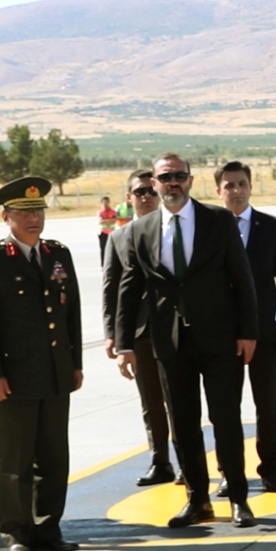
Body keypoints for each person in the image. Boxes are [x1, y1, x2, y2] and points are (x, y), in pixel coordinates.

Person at [117, 154, 260, 529]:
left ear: (191, 180)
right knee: (183, 424)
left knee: (226, 420)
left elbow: (241, 278)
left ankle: (239, 498)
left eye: (179, 176)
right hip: (169, 343)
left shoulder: (218, 220)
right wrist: (124, 344)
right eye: (166, 177)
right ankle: (197, 500)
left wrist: (248, 332)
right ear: (155, 184)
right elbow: (129, 289)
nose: (173, 183)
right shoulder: (140, 230)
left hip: (220, 340)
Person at [0, 178, 81, 551]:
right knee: (13, 460)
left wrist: (74, 364)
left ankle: (48, 527)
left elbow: (71, 315)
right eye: (24, 213)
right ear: (6, 217)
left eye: (38, 211)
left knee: (53, 458)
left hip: (55, 373)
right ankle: (16, 531)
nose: (34, 219)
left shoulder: (57, 254)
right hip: (12, 378)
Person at [216, 161, 276, 494]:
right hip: (223, 334)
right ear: (219, 191)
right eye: (229, 185)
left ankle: (271, 469)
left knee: (268, 403)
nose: (236, 191)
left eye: (242, 184)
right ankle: (229, 470)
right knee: (225, 406)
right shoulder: (211, 228)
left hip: (265, 331)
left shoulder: (271, 227)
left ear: (250, 187)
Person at [100, 170, 176, 486]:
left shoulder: (172, 230)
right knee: (151, 402)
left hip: (173, 329)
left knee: (178, 399)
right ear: (129, 198)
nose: (146, 197)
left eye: (150, 191)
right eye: (139, 192)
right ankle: (160, 461)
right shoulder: (118, 237)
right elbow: (111, 287)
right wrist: (112, 334)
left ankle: (188, 461)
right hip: (139, 332)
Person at [96, 196, 117, 263]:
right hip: (103, 233)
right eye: (104, 202)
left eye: (107, 202)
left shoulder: (113, 211)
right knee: (103, 249)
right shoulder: (100, 212)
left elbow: (115, 220)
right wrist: (110, 220)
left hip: (111, 232)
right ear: (101, 203)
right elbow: (101, 221)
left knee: (113, 249)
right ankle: (103, 263)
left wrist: (106, 220)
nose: (106, 203)